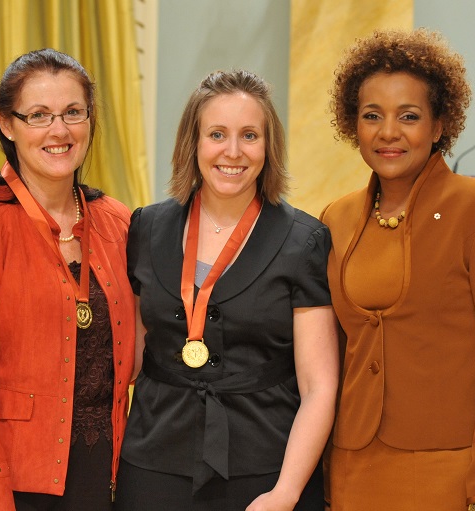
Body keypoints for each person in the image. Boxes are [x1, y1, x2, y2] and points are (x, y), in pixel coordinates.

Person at [0, 48, 135, 510]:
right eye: (38, 115)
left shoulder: (119, 223)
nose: (59, 131)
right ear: (6, 124)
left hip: (98, 480)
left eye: (73, 113)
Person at [320, 29, 475, 510]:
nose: (388, 132)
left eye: (408, 116)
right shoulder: (336, 217)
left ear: (439, 126)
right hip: (352, 464)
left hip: (450, 467)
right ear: (354, 125)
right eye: (372, 116)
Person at [114, 69, 339, 511]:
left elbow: (319, 386)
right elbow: (133, 355)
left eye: (249, 135)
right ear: (193, 143)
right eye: (217, 134)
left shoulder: (304, 241)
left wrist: (286, 493)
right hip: (153, 465)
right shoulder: (146, 227)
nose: (232, 152)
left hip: (266, 471)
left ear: (268, 146)